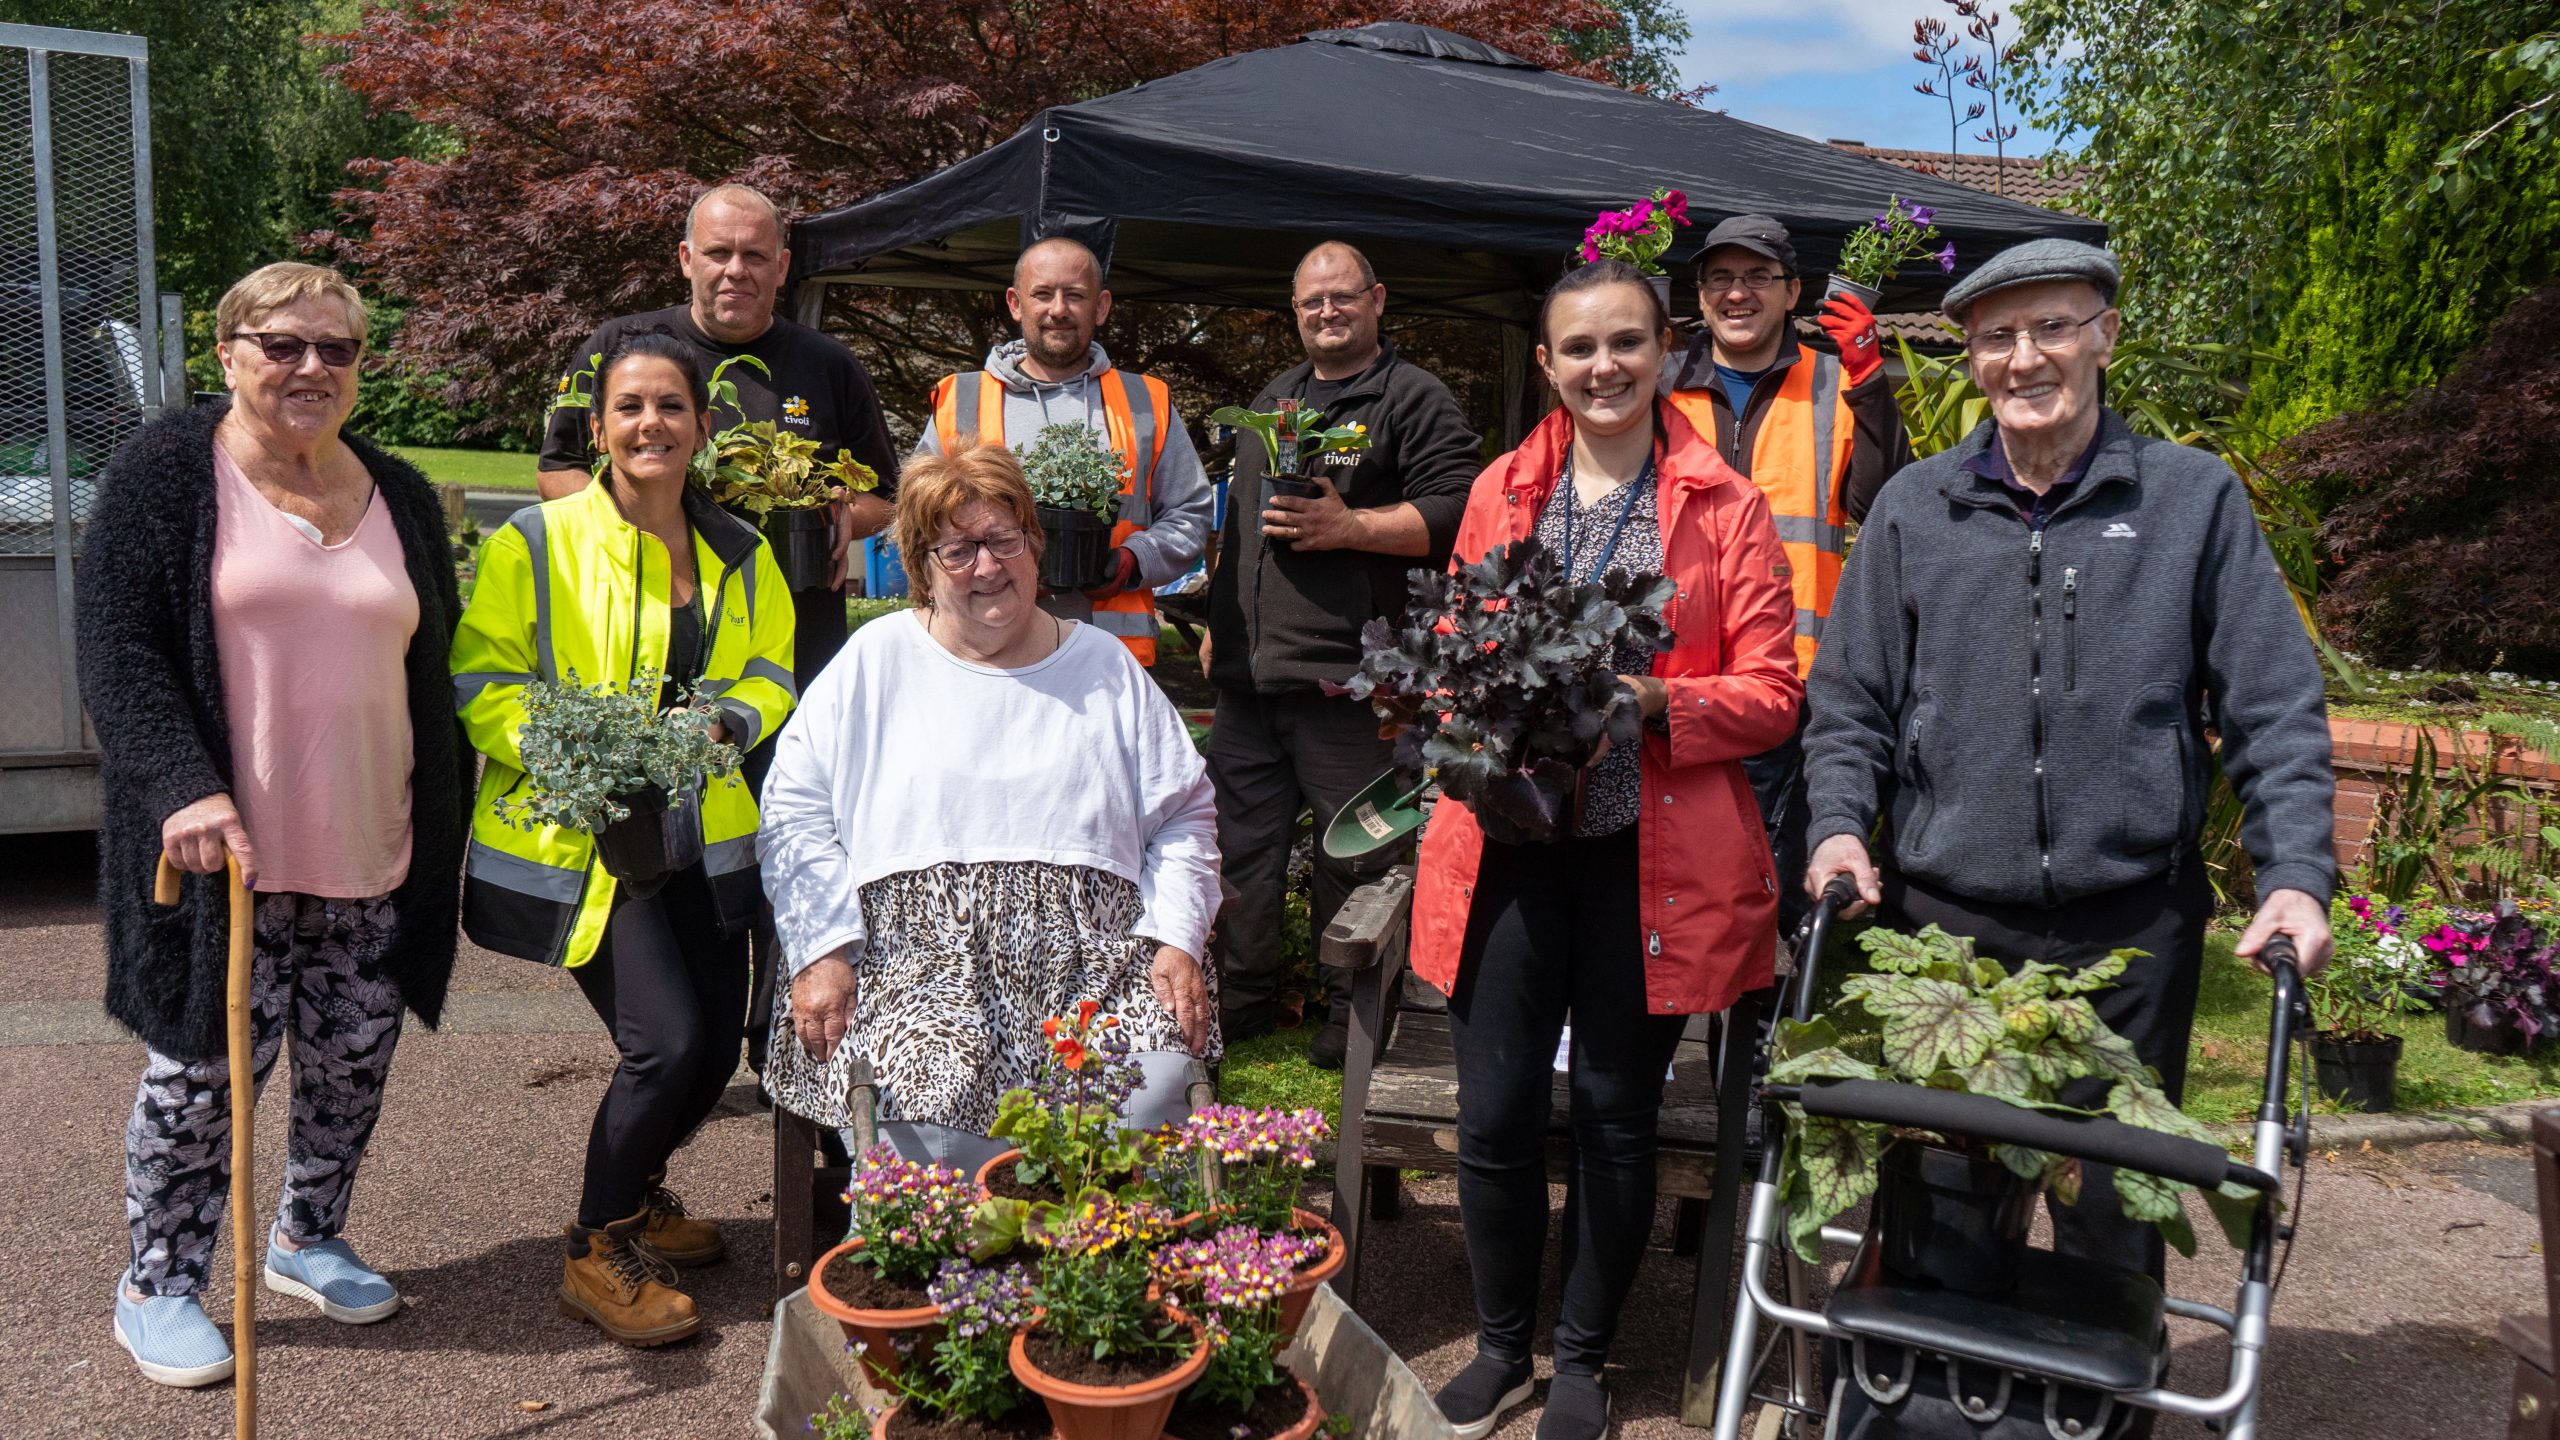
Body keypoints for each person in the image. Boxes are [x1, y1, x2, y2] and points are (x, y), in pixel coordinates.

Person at [1802, 237, 2337, 1292]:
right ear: (1968, 357)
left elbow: (2272, 702)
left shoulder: (2192, 501)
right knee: (1944, 1228)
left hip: (2130, 933)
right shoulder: (1915, 508)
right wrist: (1834, 827)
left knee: (2111, 1229)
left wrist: (2293, 875)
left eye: (2052, 325)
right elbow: (1849, 704)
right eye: (1995, 336)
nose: (2023, 357)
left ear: (2105, 337)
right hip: (1947, 935)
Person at [1413, 260, 1802, 1440]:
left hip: (1650, 860)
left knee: (1617, 1117)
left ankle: (1579, 1360)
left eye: (1625, 342)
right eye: (1578, 348)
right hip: (1511, 852)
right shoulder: (1502, 489)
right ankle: (1498, 1347)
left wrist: (1651, 702)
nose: (1602, 367)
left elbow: (1775, 694)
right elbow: (1454, 649)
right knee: (1492, 1118)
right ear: (1546, 364)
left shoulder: (1721, 506)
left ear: (1664, 348)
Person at [77, 262, 471, 1387]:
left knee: (351, 1062)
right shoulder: (168, 473)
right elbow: (119, 650)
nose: (311, 367)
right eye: (283, 343)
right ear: (229, 352)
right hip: (224, 857)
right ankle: (157, 1282)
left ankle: (306, 1234)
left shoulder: (392, 487)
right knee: (201, 1077)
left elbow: (426, 659)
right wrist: (179, 785)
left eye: (336, 349)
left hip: (373, 838)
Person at [455, 330, 796, 1347]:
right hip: (587, 840)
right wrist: (581, 761)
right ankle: (596, 1247)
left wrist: (725, 723)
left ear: (700, 427)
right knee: (667, 1044)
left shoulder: (741, 548)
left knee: (710, 1053)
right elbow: (483, 683)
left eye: (672, 407)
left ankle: (642, 1196)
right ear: (599, 428)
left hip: (696, 834)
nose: (653, 423)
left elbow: (768, 673)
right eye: (632, 407)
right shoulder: (536, 543)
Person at [758, 442, 1220, 1169]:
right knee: (931, 1113)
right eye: (958, 549)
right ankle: (933, 1274)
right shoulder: (875, 662)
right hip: (913, 966)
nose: (988, 565)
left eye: (1005, 539)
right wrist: (821, 951)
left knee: (1145, 1097)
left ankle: (1105, 1271)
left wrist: (1177, 938)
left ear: (1036, 545)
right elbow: (794, 816)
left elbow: (1186, 815)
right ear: (921, 566)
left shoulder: (1104, 668)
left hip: (1096, 966)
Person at [534, 183, 895, 1082]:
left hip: (789, 660)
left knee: (794, 841)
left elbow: (883, 492)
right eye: (719, 252)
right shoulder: (619, 348)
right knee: (670, 853)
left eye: (756, 254)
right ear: (686, 258)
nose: (737, 270)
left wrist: (843, 521)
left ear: (782, 265)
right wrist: (639, 530)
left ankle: (784, 1050)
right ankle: (676, 1041)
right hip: (652, 664)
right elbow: (555, 473)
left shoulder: (825, 364)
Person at [1202, 240, 1482, 1068]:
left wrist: (1354, 527)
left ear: (1377, 299)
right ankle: (1244, 999)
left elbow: (1463, 509)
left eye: (1342, 297)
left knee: (1351, 850)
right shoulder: (1274, 398)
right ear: (1294, 313)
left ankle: (1347, 1005)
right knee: (1235, 847)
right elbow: (1240, 529)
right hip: (1252, 682)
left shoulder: (1412, 398)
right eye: (1311, 302)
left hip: (1351, 682)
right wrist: (1223, 617)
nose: (1327, 312)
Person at [1664, 214, 1915, 940]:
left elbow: (1883, 503)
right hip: (1678, 674)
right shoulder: (1662, 382)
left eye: (1757, 277)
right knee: (1677, 867)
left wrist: (1871, 383)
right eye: (1720, 278)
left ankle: (1770, 1033)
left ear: (1793, 291)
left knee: (1779, 873)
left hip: (1797, 676)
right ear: (1700, 295)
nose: (1737, 294)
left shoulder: (1838, 380)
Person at [921, 235, 1214, 666]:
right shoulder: (960, 398)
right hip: (984, 651)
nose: (1058, 309)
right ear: (1015, 303)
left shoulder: (1145, 401)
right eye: (1042, 294)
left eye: (1074, 295)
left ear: (1101, 306)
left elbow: (1191, 512)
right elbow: (916, 521)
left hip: (1110, 657)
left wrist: (1133, 561)